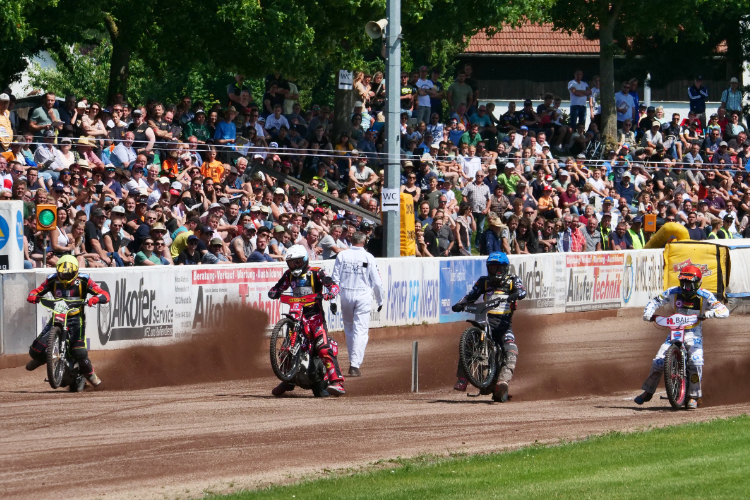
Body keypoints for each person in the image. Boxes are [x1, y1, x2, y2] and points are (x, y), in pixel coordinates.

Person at [635, 265, 729, 409]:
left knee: (696, 362)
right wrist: (648, 313)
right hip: (674, 331)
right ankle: (648, 391)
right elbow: (655, 301)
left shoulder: (706, 295)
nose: (686, 287)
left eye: (690, 284)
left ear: (698, 283)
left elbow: (724, 310)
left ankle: (693, 395)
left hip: (693, 333)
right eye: (683, 283)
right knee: (658, 362)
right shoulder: (673, 291)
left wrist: (711, 313)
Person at [268, 245, 345, 397]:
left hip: (315, 318)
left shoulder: (316, 272)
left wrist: (329, 294)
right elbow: (278, 287)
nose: (294, 266)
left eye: (297, 262)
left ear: (304, 260)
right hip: (296, 316)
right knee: (288, 348)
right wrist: (274, 292)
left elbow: (333, 285)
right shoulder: (289, 275)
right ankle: (288, 380)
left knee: (323, 348)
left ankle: (337, 382)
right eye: (292, 263)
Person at [451, 252, 527, 402]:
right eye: (492, 268)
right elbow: (471, 295)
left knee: (511, 349)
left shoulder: (512, 280)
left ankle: (503, 382)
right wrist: (460, 304)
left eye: (498, 269)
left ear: (505, 269)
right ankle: (462, 378)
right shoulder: (483, 281)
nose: (495, 272)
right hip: (485, 321)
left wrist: (516, 295)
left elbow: (522, 291)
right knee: (469, 343)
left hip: (504, 326)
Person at [25, 255, 110, 387]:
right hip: (57, 318)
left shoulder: (84, 280)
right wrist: (33, 296)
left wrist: (95, 299)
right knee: (34, 351)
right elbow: (37, 291)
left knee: (79, 351)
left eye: (69, 274)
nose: (65, 277)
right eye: (62, 274)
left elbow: (104, 294)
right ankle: (44, 358)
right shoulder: (51, 280)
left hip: (76, 318)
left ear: (75, 271)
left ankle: (92, 376)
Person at [331, 231, 384, 377]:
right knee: (360, 330)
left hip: (345, 294)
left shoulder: (342, 255)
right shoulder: (369, 257)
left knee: (349, 329)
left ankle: (353, 361)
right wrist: (380, 300)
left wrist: (332, 299)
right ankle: (354, 364)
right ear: (364, 241)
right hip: (362, 295)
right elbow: (377, 282)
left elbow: (334, 279)